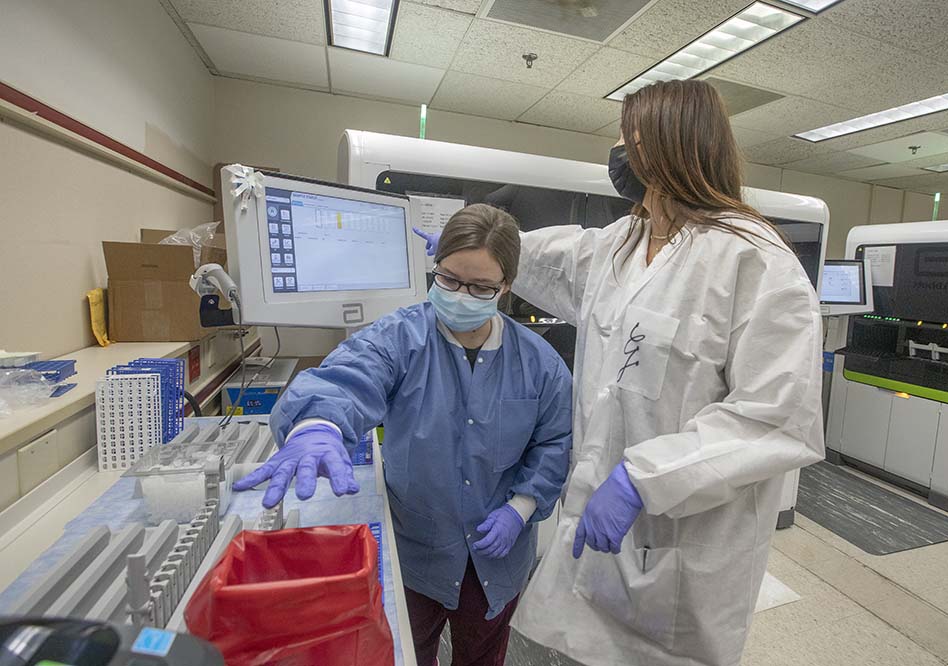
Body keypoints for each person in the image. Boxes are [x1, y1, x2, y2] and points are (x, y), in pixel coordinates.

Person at [417, 80, 825, 666]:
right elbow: (547, 258)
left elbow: (776, 420)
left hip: (680, 549)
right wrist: (472, 257)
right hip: (596, 530)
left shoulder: (756, 263)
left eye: (625, 139)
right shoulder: (623, 243)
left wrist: (643, 479)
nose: (616, 154)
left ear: (664, 147)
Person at [235, 204, 573, 666]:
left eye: (480, 288)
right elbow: (348, 377)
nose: (460, 295)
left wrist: (523, 507)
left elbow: (554, 442)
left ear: (506, 286)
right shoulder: (400, 338)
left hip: (498, 558)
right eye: (449, 279)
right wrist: (318, 424)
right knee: (406, 653)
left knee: (482, 656)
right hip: (417, 550)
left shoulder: (539, 363)